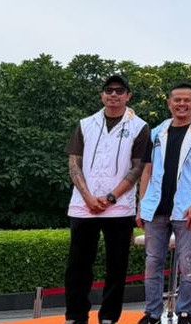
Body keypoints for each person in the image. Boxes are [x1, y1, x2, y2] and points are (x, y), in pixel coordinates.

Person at [64, 74, 151, 324]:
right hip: (84, 206)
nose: (113, 95)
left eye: (119, 91)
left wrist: (112, 197)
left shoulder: (139, 127)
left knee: (117, 266)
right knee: (78, 264)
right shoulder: (85, 124)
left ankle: (109, 317)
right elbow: (74, 163)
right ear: (102, 95)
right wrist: (88, 197)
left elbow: (137, 168)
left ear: (128, 95)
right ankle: (76, 315)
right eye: (109, 90)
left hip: (119, 207)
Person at [137, 83, 191, 324]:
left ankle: (185, 312)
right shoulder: (156, 132)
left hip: (186, 209)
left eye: (187, 100)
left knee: (187, 264)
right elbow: (147, 170)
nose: (182, 104)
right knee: (152, 262)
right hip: (156, 208)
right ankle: (152, 313)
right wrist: (142, 205)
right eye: (177, 100)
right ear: (169, 103)